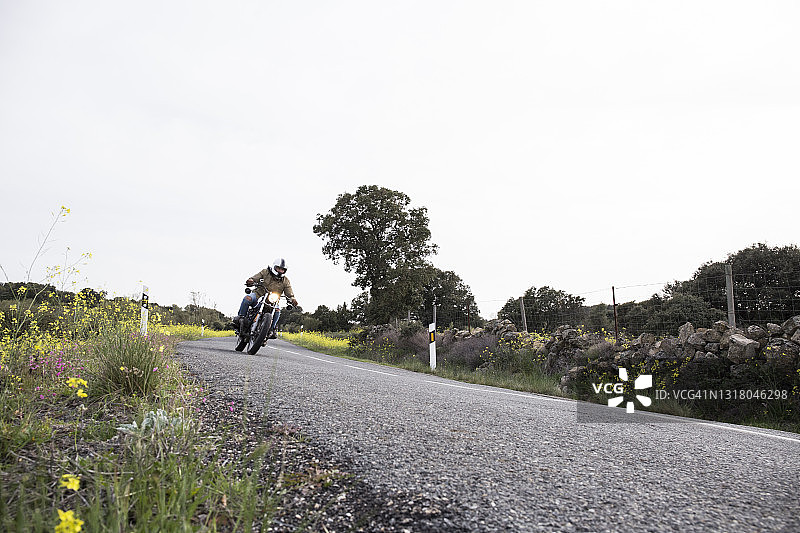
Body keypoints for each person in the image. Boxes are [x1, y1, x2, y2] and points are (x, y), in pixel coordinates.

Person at [234, 258, 299, 338]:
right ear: (274, 267)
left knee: (277, 310)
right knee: (247, 298)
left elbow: (289, 292)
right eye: (278, 268)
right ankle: (241, 318)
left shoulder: (285, 281)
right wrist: (251, 280)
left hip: (272, 300)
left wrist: (292, 299)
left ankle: (271, 329)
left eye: (282, 269)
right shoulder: (265, 272)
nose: (280, 270)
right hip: (258, 295)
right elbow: (255, 278)